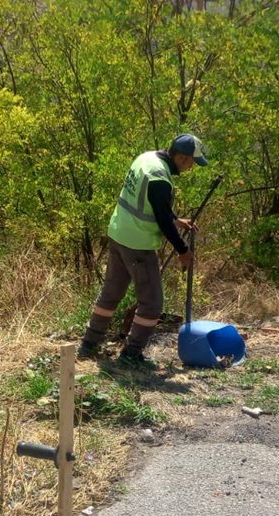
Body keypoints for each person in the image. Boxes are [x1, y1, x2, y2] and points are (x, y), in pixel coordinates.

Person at [78, 133, 208, 368]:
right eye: (191, 163)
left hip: (118, 234)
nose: (191, 168)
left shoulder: (146, 158)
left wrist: (176, 219)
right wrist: (183, 250)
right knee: (152, 303)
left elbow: (148, 203)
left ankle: (89, 343)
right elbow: (161, 218)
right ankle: (132, 355)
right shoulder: (160, 178)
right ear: (180, 157)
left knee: (111, 293)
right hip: (138, 244)